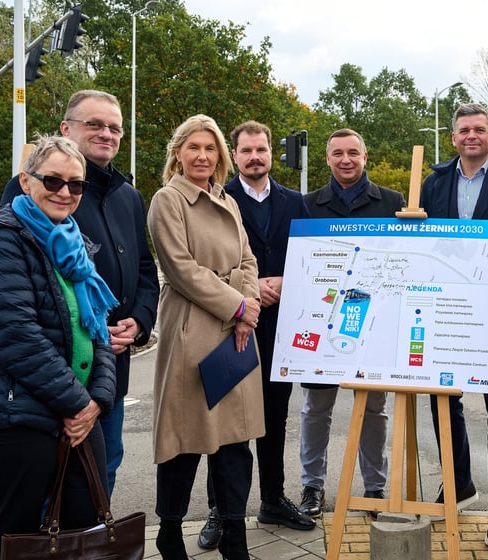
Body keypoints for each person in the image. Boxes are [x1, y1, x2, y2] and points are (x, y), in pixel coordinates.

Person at [0, 134, 118, 560]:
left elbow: (98, 330)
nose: (65, 192)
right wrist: (77, 404)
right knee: (16, 540)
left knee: (85, 535)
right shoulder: (1, 237)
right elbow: (14, 334)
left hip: (80, 415)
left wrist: (98, 400)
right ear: (26, 182)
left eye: (76, 184)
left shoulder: (76, 246)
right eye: (53, 181)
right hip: (17, 417)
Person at [0, 90, 159, 496]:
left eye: (114, 127)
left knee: (100, 476)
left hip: (109, 376)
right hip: (49, 379)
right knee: (43, 490)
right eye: (95, 124)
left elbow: (144, 270)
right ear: (66, 128)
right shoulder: (30, 193)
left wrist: (137, 323)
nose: (106, 133)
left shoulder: (129, 196)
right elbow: (19, 303)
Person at [147, 114, 264, 560]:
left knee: (236, 442)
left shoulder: (227, 201)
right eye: (193, 147)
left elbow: (248, 260)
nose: (202, 155)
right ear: (178, 152)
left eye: (210, 148)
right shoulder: (167, 200)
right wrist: (237, 305)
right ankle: (169, 531)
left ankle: (234, 534)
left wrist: (247, 309)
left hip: (236, 330)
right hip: (193, 329)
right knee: (185, 441)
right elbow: (180, 269)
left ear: (220, 156)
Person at [196, 121, 314, 549]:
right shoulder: (217, 200)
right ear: (236, 155)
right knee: (227, 423)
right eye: (246, 151)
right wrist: (251, 288)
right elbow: (204, 264)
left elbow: (311, 256)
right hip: (232, 325)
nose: (254, 157)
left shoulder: (296, 203)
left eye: (261, 150)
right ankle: (220, 510)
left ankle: (272, 498)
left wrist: (286, 281)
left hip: (280, 326)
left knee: (274, 417)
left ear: (271, 153)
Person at [419, 102, 488, 549]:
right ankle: (458, 482)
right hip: (444, 306)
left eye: (479, 129)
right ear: (454, 136)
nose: (471, 136)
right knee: (444, 403)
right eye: (464, 129)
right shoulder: (435, 182)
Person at [298, 128, 404, 519]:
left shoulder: (393, 203)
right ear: (327, 159)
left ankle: (375, 489)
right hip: (322, 320)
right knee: (315, 409)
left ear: (365, 156)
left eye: (353, 153)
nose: (346, 160)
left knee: (373, 409)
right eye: (338, 153)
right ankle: (312, 487)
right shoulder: (306, 205)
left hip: (373, 324)